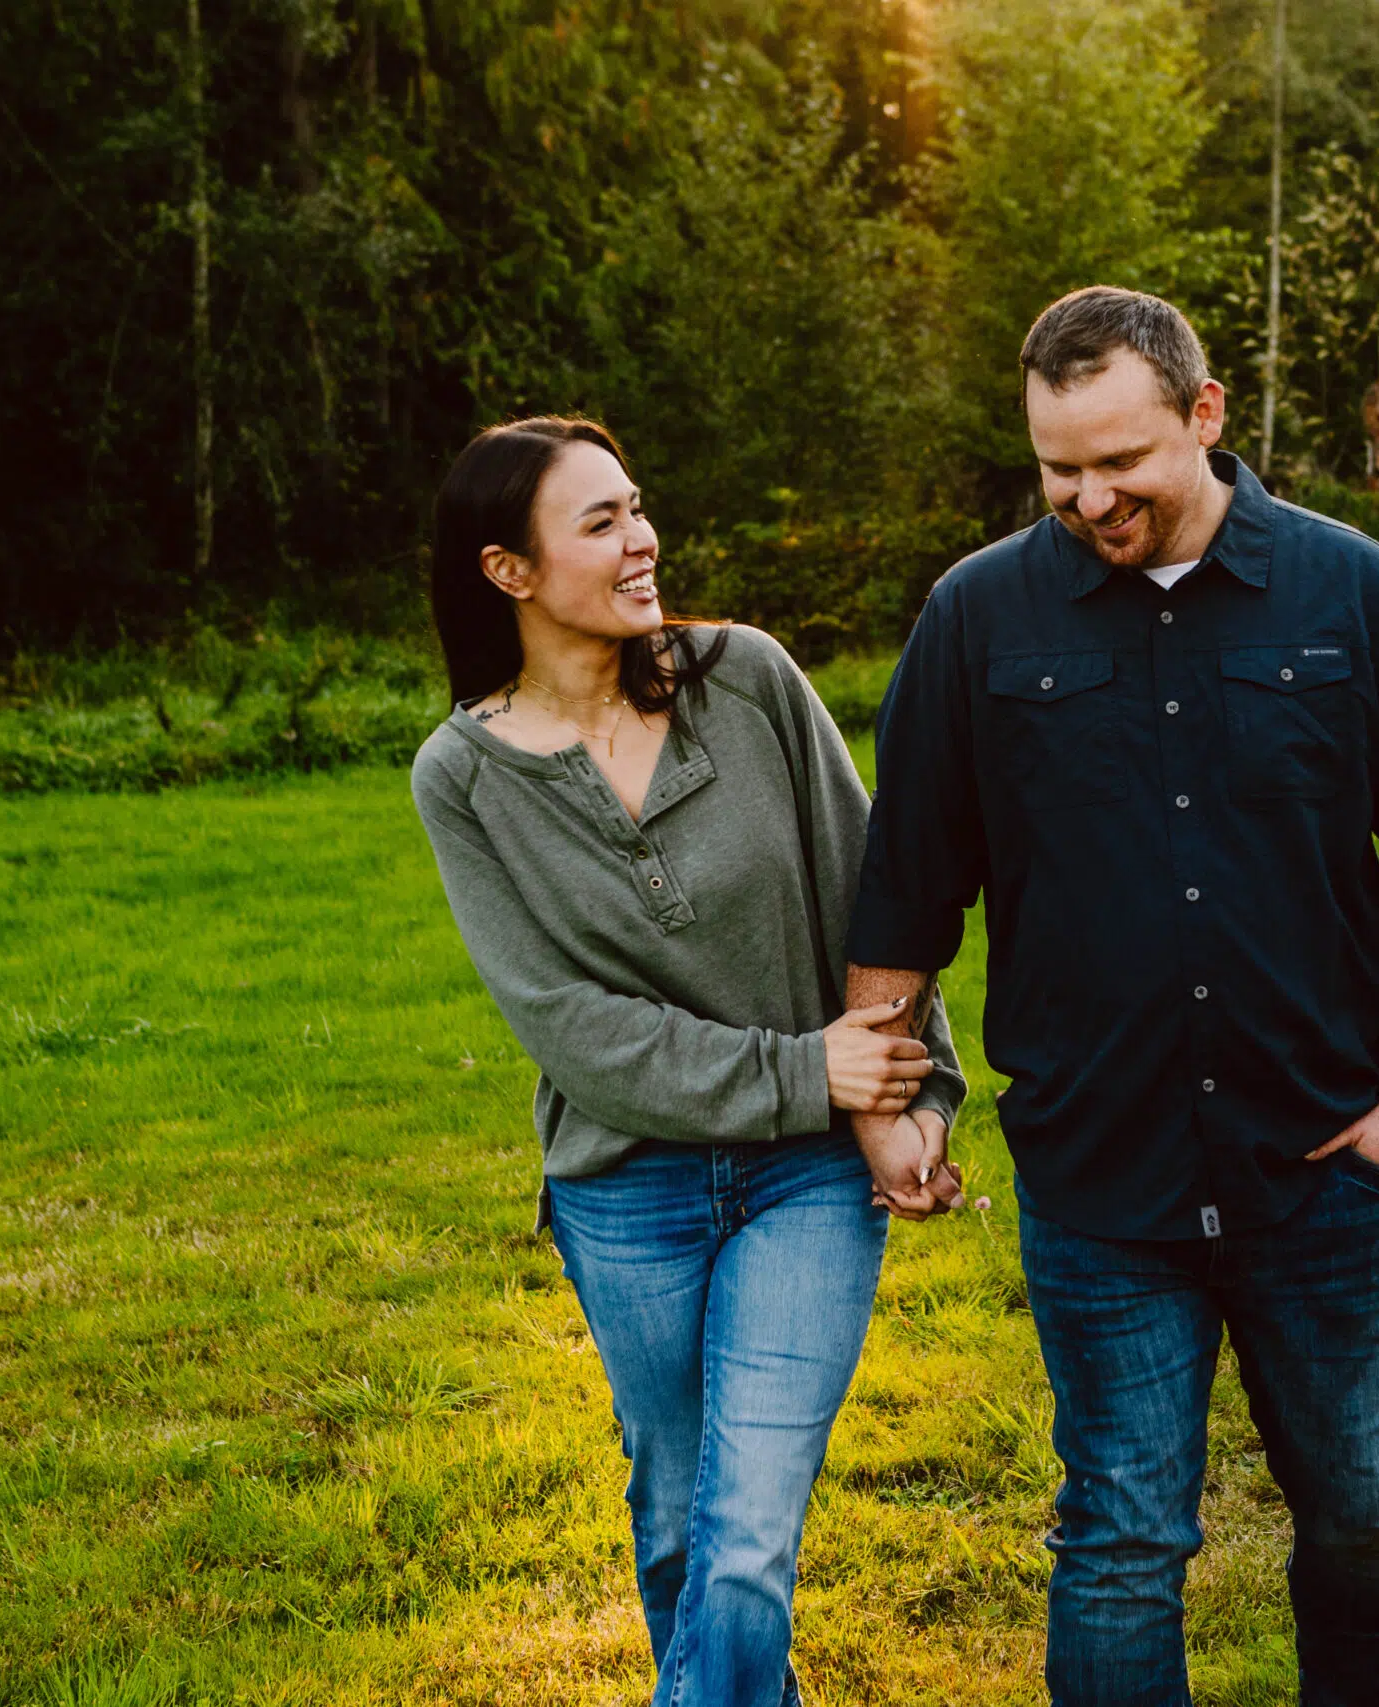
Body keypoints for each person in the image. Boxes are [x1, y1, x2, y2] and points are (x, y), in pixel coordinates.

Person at [843, 288, 1379, 1704]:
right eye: (1058, 469)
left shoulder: (1356, 593)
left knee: (1366, 1508)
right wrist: (886, 1103)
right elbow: (904, 893)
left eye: (1120, 461)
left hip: (1321, 1168)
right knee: (1122, 1539)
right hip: (1099, 1175)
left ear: (1205, 415)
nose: (1090, 499)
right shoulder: (977, 618)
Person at [409, 416, 967, 1707]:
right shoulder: (462, 777)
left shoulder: (747, 679)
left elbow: (875, 899)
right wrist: (807, 1069)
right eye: (600, 522)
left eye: (638, 507)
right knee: (678, 1524)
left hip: (807, 1176)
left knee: (745, 1538)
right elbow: (574, 1027)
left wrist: (914, 1092)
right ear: (508, 570)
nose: (643, 539)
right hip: (627, 1189)